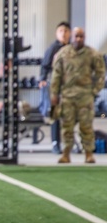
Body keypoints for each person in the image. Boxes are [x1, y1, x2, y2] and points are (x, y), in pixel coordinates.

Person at [50, 26, 106, 164]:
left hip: (85, 97)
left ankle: (88, 153)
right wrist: (54, 94)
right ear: (72, 37)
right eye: (76, 36)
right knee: (67, 126)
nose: (79, 39)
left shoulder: (92, 54)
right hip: (67, 96)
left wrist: (94, 90)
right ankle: (66, 153)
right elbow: (56, 75)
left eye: (81, 36)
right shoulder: (63, 53)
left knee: (86, 126)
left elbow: (101, 73)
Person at [39, 21, 70, 154]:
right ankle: (55, 143)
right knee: (55, 116)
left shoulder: (72, 48)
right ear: (57, 33)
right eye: (61, 31)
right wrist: (42, 79)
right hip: (56, 88)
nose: (63, 33)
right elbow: (45, 66)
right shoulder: (53, 48)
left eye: (66, 31)